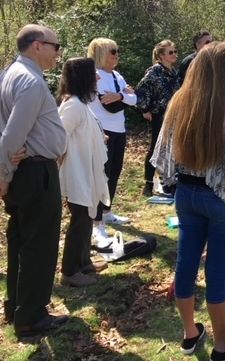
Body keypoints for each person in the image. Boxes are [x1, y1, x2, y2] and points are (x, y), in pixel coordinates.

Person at [151, 42, 225, 361]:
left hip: (187, 195)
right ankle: (223, 346)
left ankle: (189, 334)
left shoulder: (179, 101)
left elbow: (161, 158)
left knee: (186, 262)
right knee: (217, 270)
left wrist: (176, 183)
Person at [0, 24, 69, 336]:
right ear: (38, 46)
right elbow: (13, 133)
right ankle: (30, 317)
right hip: (35, 172)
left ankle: (16, 305)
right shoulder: (29, 80)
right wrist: (3, 173)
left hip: (26, 170)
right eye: (56, 46)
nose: (58, 52)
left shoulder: (10, 73)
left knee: (21, 240)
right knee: (39, 245)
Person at [57, 57, 111, 287]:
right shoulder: (72, 105)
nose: (98, 78)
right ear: (84, 77)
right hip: (75, 171)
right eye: (93, 74)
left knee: (88, 216)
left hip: (87, 170)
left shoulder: (82, 104)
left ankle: (83, 262)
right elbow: (59, 139)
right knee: (79, 219)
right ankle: (69, 271)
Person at [87, 37, 137, 247]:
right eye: (112, 51)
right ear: (100, 53)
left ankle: (107, 212)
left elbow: (135, 99)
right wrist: (122, 96)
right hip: (102, 131)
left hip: (119, 129)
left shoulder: (117, 75)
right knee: (101, 174)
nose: (117, 55)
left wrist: (118, 96)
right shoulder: (93, 76)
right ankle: (96, 224)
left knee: (115, 171)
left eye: (117, 51)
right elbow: (105, 104)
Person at [136, 40, 180, 196]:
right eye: (171, 52)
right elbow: (141, 91)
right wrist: (144, 109)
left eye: (175, 51)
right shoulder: (154, 72)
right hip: (159, 115)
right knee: (156, 146)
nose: (175, 54)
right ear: (161, 55)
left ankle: (170, 181)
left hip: (174, 115)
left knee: (173, 148)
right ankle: (148, 183)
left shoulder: (173, 72)